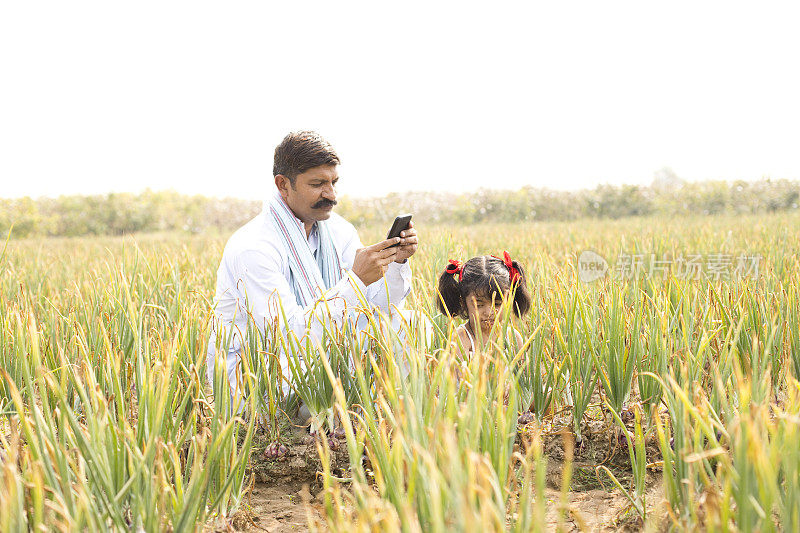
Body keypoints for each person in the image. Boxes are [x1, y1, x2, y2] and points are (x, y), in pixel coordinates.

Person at [207, 131, 418, 409]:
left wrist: (396, 262)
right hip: (263, 369)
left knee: (408, 322)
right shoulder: (254, 247)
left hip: (315, 355)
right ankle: (314, 420)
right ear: (283, 185)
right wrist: (355, 282)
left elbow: (379, 306)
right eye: (318, 184)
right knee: (311, 383)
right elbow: (290, 340)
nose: (330, 195)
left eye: (333, 182)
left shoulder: (338, 230)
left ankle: (387, 416)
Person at [436, 251, 531, 358]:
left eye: (497, 304)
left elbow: (525, 373)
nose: (489, 312)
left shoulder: (512, 338)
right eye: (479, 305)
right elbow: (456, 374)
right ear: (463, 303)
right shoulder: (461, 338)